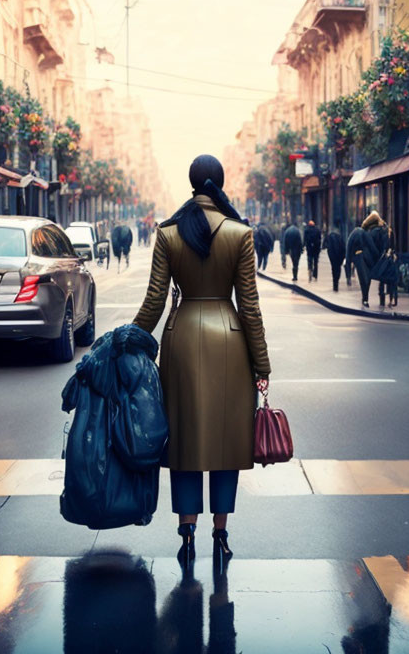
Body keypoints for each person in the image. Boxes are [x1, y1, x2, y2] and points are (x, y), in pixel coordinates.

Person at [132, 154, 271, 568]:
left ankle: (186, 532)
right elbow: (249, 305)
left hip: (181, 337)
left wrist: (130, 339)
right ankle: (222, 532)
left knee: (186, 438)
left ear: (191, 183)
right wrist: (262, 364)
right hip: (230, 340)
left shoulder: (169, 232)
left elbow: (155, 299)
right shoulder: (239, 233)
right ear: (221, 183)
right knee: (227, 441)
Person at [324, 228, 346, 292]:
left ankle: (335, 284)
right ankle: (336, 282)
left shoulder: (329, 237)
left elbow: (325, 245)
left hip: (333, 256)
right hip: (339, 257)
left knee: (334, 269)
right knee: (338, 269)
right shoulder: (340, 238)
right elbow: (343, 248)